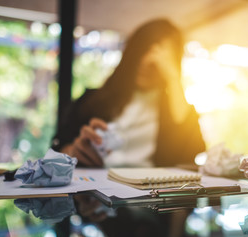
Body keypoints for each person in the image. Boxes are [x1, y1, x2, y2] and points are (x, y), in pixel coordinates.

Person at [51, 19, 205, 168]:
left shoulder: (175, 111)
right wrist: (71, 152)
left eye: (160, 56)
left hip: (149, 191)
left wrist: (173, 78)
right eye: (144, 50)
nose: (147, 62)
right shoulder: (91, 100)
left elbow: (192, 151)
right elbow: (58, 147)